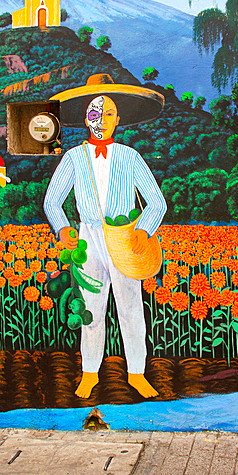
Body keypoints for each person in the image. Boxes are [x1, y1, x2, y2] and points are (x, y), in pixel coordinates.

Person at [43, 74, 166, 399]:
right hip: (88, 240)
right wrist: (64, 227)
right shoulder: (73, 157)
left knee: (130, 308)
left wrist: (143, 230)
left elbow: (157, 202)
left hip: (125, 240)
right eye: (95, 112)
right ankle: (89, 374)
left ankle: (137, 373)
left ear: (118, 119)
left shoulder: (129, 157)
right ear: (86, 118)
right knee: (92, 310)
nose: (102, 119)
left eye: (109, 112)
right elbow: (52, 200)